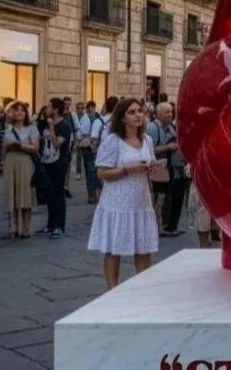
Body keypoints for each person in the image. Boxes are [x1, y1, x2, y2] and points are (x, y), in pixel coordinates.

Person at [87, 97, 159, 289]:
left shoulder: (147, 141)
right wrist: (128, 169)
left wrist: (152, 168)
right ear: (122, 118)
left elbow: (149, 167)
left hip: (141, 201)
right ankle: (112, 289)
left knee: (143, 248)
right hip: (118, 202)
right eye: (132, 112)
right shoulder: (113, 141)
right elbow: (101, 173)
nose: (138, 115)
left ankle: (143, 289)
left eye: (140, 111)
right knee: (114, 248)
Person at [147, 103, 188, 236]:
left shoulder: (171, 127)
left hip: (175, 168)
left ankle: (171, 226)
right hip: (161, 170)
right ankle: (158, 227)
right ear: (159, 114)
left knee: (174, 198)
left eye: (171, 111)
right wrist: (167, 147)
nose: (170, 114)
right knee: (161, 199)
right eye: (167, 112)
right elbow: (149, 150)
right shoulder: (152, 128)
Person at [38, 98, 73, 239]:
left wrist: (52, 127)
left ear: (56, 110)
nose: (46, 109)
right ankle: (50, 224)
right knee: (49, 195)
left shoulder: (64, 125)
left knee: (58, 195)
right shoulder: (46, 123)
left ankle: (60, 227)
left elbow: (57, 144)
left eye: (49, 107)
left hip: (59, 163)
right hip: (46, 162)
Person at [3, 102, 38, 239]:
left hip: (25, 162)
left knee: (26, 195)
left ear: (26, 113)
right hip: (10, 162)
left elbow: (35, 148)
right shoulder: (8, 128)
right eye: (16, 110)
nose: (19, 113)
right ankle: (14, 227)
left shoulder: (31, 128)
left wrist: (20, 146)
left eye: (22, 110)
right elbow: (4, 147)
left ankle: (25, 228)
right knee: (13, 194)